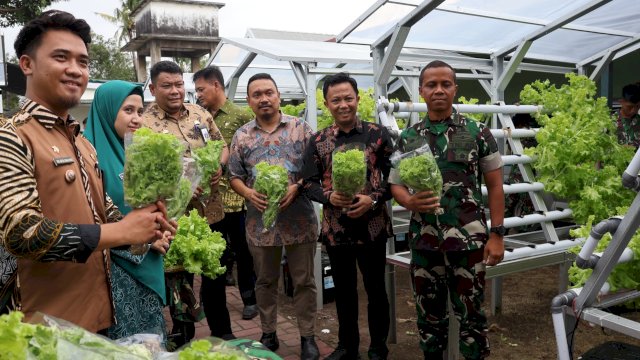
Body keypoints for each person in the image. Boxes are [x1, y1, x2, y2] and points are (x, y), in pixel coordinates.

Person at [0, 10, 174, 332]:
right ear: (27, 64)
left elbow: (105, 215)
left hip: (97, 318)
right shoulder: (10, 134)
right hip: (39, 326)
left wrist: (144, 230)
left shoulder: (81, 142)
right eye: (61, 57)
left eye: (83, 61)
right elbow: (20, 232)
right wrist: (121, 232)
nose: (75, 70)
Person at [390, 60, 505, 360]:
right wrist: (409, 202)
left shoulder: (476, 131)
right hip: (425, 243)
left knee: (471, 316)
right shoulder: (408, 137)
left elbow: (495, 186)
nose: (438, 90)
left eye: (445, 84)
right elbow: (396, 184)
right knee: (429, 318)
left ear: (455, 88)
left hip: (469, 242)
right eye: (431, 85)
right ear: (421, 91)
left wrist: (498, 235)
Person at [301, 72, 393, 360]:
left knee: (376, 289)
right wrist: (328, 197)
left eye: (348, 98)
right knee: (344, 292)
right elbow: (308, 182)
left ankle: (378, 346)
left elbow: (397, 177)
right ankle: (347, 347)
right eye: (336, 100)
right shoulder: (318, 140)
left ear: (357, 99)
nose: (343, 104)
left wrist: (374, 198)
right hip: (335, 229)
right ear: (327, 104)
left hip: (373, 227)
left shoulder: (378, 135)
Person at [228, 73, 319, 359]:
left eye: (269, 92)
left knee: (304, 281)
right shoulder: (242, 135)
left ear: (278, 95)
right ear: (249, 100)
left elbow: (314, 170)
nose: (264, 98)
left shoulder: (301, 128)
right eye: (257, 94)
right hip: (259, 223)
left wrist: (297, 186)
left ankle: (307, 336)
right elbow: (234, 176)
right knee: (265, 281)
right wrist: (248, 194)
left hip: (299, 221)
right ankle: (269, 332)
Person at [141, 60, 230, 344]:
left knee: (215, 276)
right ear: (153, 88)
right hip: (175, 217)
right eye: (167, 86)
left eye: (179, 84)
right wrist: (176, 187)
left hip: (211, 212)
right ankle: (184, 335)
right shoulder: (144, 123)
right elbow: (139, 173)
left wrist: (219, 167)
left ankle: (222, 331)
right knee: (180, 280)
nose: (175, 91)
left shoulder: (200, 114)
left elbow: (222, 146)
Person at [84, 80, 170, 340]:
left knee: (149, 342)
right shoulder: (89, 158)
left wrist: (159, 230)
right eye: (128, 110)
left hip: (148, 265)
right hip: (114, 274)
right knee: (125, 344)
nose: (137, 119)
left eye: (140, 111)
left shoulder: (134, 153)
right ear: (107, 110)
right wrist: (140, 241)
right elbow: (85, 224)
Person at [193, 66, 258, 323]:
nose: (198, 95)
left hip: (239, 198)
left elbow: (252, 155)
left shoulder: (241, 115)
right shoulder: (199, 119)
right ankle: (216, 303)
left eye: (201, 89)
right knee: (217, 253)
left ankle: (249, 298)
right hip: (211, 200)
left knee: (244, 252)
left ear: (217, 86)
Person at [616, 82, 640, 148]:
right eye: (630, 107)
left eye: (637, 106)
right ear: (621, 102)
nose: (634, 110)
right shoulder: (610, 121)